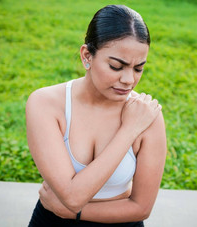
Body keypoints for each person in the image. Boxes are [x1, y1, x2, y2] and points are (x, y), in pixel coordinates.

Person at [26, 5, 167, 226]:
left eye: (138, 68)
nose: (129, 80)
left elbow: (141, 207)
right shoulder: (46, 103)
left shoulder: (145, 114)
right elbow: (72, 196)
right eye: (116, 66)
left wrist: (75, 214)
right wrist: (128, 130)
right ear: (87, 56)